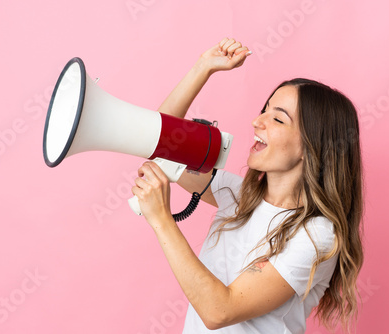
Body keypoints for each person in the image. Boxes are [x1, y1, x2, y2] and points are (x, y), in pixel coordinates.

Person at [131, 38, 364, 333]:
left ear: (312, 145)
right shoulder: (239, 196)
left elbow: (220, 311)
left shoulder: (317, 235)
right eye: (264, 110)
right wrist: (203, 68)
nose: (257, 121)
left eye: (277, 119)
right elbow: (158, 144)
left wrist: (162, 220)